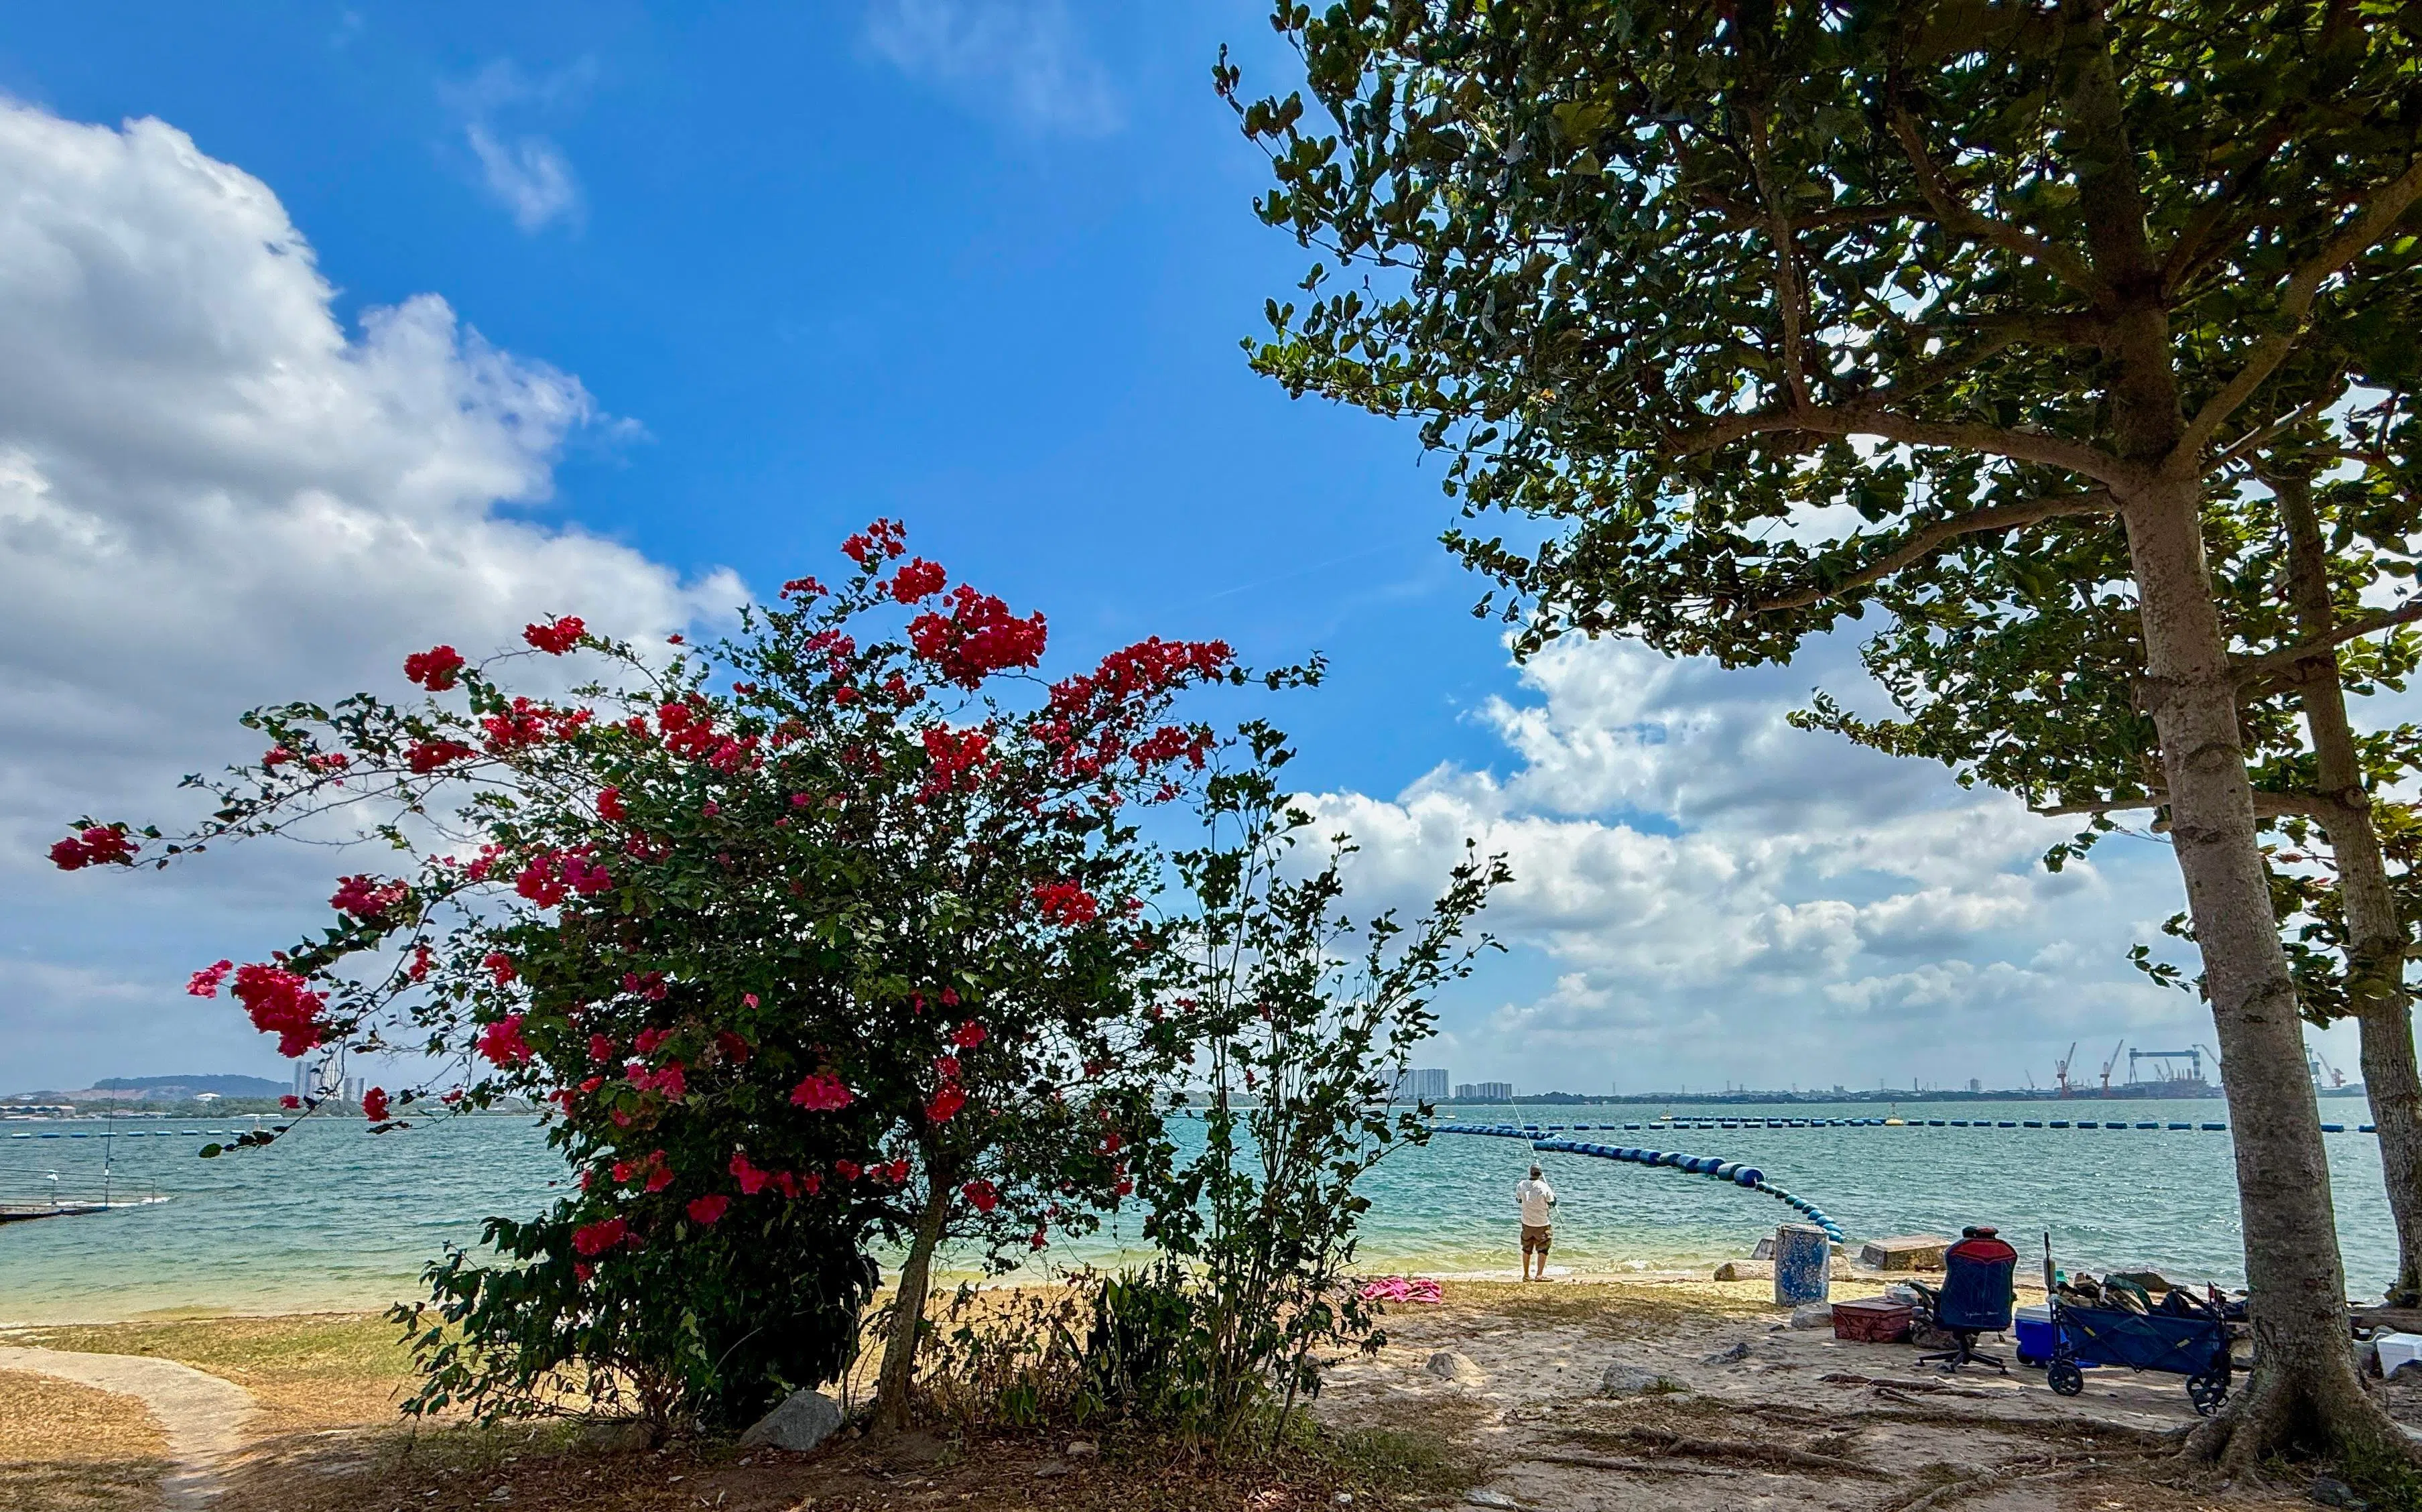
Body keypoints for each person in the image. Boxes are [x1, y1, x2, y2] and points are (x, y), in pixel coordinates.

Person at [1515, 1164, 1557, 1281]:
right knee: (1543, 1249)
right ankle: (1539, 1275)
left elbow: (1518, 1200)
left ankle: (1526, 1275)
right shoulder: (1545, 1187)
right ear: (1540, 1174)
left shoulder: (1521, 1185)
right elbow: (1552, 1203)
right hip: (1542, 1223)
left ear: (1531, 1173)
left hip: (1527, 1222)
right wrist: (1554, 1196)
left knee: (1526, 1249)